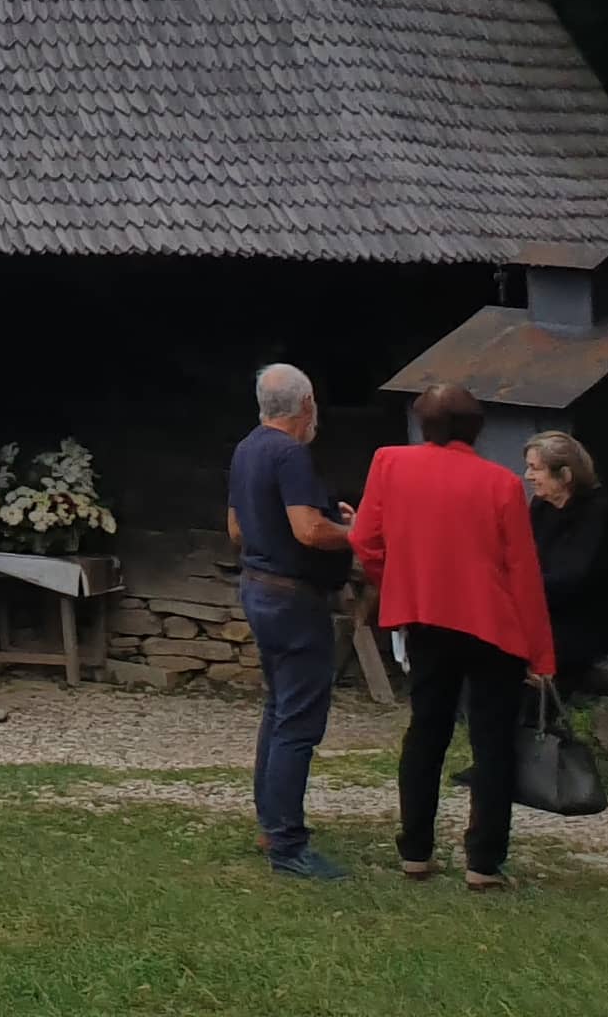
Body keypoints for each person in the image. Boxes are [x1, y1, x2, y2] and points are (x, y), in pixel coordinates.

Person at [351, 379, 555, 890]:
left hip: (424, 617)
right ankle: (483, 863)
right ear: (476, 427)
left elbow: (364, 539)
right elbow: (523, 574)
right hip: (492, 625)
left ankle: (415, 851)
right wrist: (542, 655)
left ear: (423, 423)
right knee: (492, 743)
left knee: (427, 729)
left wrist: (397, 581)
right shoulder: (501, 484)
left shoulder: (389, 463)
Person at [227, 361, 355, 880]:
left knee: (279, 709)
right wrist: (355, 530)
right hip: (293, 597)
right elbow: (307, 530)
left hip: (258, 586)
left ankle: (269, 821)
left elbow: (236, 529)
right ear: (306, 405)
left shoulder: (247, 448)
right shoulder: (290, 453)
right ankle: (287, 843)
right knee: (298, 722)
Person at [525, 430, 608, 690]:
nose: (528, 476)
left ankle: (533, 721)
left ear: (565, 475)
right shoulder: (540, 507)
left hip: (594, 616)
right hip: (551, 609)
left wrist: (523, 590)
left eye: (535, 469)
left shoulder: (599, 513)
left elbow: (577, 578)